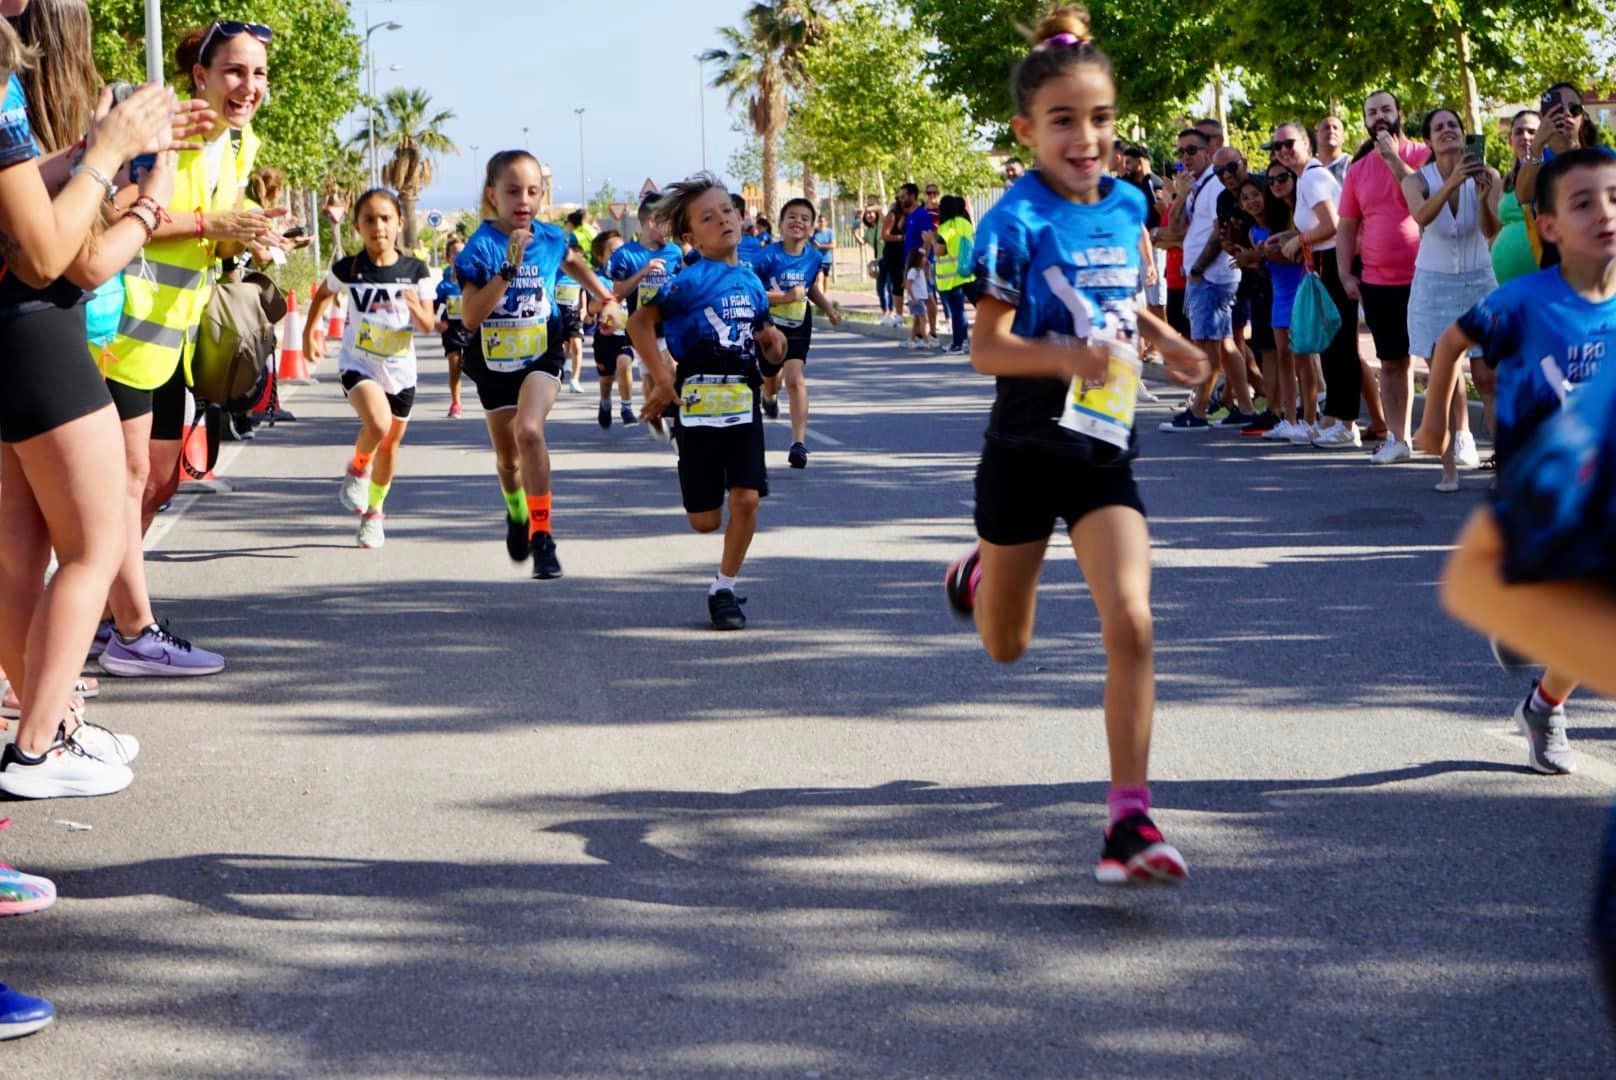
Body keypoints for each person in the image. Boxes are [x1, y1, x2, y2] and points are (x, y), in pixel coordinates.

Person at [943, 5, 1210, 885]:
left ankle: (1128, 822)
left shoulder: (1128, 201)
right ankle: (979, 575)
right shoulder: (1009, 224)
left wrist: (1162, 338)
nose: (1086, 137)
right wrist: (1071, 355)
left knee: (1131, 621)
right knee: (1005, 647)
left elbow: (1106, 296)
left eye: (1099, 118)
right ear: (1027, 131)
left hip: (1104, 448)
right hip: (1023, 448)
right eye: (1063, 120)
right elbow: (987, 346)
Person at [0, 2, 186, 799]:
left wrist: (92, 154)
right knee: (97, 542)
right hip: (32, 330)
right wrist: (112, 164)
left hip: (17, 331)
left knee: (18, 555)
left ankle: (54, 727)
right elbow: (49, 256)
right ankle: (39, 747)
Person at [1416, 147, 1616, 776]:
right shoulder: (1525, 302)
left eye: (1614, 198)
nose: (1605, 212)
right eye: (1583, 203)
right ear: (1547, 227)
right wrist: (1429, 426)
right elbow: (1451, 342)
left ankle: (1544, 699)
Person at [96, 20, 283, 678]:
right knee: (125, 486)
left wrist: (249, 236)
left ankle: (103, 611)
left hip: (174, 337)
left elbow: (212, 233)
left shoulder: (240, 140)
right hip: (122, 334)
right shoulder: (169, 128)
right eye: (234, 70)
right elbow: (114, 207)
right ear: (199, 76)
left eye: (258, 73)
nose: (249, 86)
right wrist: (212, 224)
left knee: (162, 480)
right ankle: (131, 630)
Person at [629, 172, 788, 631]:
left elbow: (765, 346)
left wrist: (774, 350)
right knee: (703, 521)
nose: (724, 220)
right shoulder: (687, 281)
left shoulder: (753, 282)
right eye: (708, 217)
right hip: (697, 406)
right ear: (689, 237)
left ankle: (724, 588)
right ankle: (713, 487)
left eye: (728, 211)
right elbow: (639, 325)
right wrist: (661, 379)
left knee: (747, 499)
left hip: (742, 401)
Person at [456, 150, 621, 580]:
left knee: (529, 430)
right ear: (492, 196)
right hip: (493, 362)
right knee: (508, 462)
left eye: (532, 191)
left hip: (542, 354)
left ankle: (543, 536)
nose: (523, 200)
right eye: (513, 191)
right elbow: (471, 316)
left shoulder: (550, 237)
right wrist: (508, 267)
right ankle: (516, 513)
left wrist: (605, 298)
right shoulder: (480, 248)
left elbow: (573, 264)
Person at [305, 189, 435, 548]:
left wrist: (414, 306)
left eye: (385, 219)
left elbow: (427, 324)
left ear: (399, 223)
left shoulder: (415, 271)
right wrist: (308, 335)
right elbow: (322, 296)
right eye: (369, 220)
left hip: (400, 370)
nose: (378, 227)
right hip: (358, 364)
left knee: (390, 446)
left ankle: (374, 513)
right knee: (377, 423)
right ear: (357, 226)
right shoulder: (348, 268)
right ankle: (359, 467)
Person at [1400, 108, 1499, 491]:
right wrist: (1452, 182)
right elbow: (1421, 218)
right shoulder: (1416, 181)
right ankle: (1449, 469)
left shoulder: (1486, 175)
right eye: (1439, 127)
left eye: (1453, 126)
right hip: (1433, 285)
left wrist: (1484, 193)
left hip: (1478, 282)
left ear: (1463, 134)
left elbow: (1491, 228)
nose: (1447, 131)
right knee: (1443, 376)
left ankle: (1503, 466)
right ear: (1428, 140)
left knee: (1488, 376)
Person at [1336, 91, 1429, 454]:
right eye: (1372, 112)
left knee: (1439, 359)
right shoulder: (1357, 170)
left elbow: (1424, 194)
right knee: (1392, 361)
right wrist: (1345, 273)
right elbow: (1346, 226)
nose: (1379, 116)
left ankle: (1454, 437)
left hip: (1426, 274)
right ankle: (1398, 438)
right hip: (1377, 280)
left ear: (1399, 114)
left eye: (1386, 109)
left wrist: (1392, 157)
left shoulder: (1423, 155)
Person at [1157, 129, 1249, 430]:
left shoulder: (1213, 184)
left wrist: (1198, 268)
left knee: (1206, 343)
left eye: (1191, 150)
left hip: (1211, 275)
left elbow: (1216, 231)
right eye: (1181, 152)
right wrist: (1182, 194)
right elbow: (1177, 224)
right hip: (1210, 274)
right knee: (1224, 343)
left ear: (1207, 151)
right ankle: (1245, 408)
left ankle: (1198, 410)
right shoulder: (1200, 184)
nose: (1185, 158)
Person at [754, 196, 841, 468]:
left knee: (795, 380)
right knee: (772, 379)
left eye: (805, 218)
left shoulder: (814, 257)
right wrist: (785, 297)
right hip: (768, 325)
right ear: (780, 223)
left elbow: (810, 287)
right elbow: (752, 293)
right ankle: (768, 395)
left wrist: (828, 309)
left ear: (812, 227)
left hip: (798, 325)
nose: (798, 222)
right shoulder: (765, 257)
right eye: (792, 216)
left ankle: (798, 444)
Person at [607, 195, 683, 441]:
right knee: (652, 377)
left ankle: (677, 423)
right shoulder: (625, 255)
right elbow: (617, 293)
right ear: (651, 221)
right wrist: (643, 272)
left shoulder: (674, 252)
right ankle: (655, 412)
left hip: (670, 325)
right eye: (668, 222)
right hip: (642, 330)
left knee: (671, 368)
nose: (672, 229)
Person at [1256, 162, 1321, 442]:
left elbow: (1300, 250)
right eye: (1271, 181)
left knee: (1302, 357)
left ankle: (1309, 418)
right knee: (1283, 355)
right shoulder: (1272, 215)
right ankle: (1289, 418)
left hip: (1300, 285)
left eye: (1282, 178)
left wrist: (1268, 252)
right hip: (1278, 288)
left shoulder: (1303, 210)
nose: (1277, 184)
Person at [588, 230, 637, 429]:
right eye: (613, 252)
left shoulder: (633, 273)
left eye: (622, 250)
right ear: (601, 257)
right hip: (605, 337)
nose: (619, 256)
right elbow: (592, 308)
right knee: (606, 379)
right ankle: (605, 403)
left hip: (626, 334)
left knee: (624, 363)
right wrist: (607, 301)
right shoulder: (598, 279)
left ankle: (626, 408)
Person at [934, 194, 976, 354]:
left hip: (951, 276)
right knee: (977, 305)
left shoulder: (946, 227)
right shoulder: (965, 223)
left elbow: (939, 251)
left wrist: (931, 239)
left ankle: (959, 343)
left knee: (957, 311)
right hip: (968, 272)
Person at [434, 236, 468, 418]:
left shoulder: (475, 279)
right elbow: (431, 307)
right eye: (455, 253)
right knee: (455, 366)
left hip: (473, 328)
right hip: (452, 329)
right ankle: (456, 402)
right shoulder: (444, 284)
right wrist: (436, 323)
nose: (459, 256)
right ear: (448, 258)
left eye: (463, 252)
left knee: (476, 366)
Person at [879, 196, 909, 326]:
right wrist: (901, 237)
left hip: (909, 253)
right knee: (898, 283)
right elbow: (884, 235)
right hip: (894, 254)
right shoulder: (893, 215)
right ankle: (899, 315)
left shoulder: (912, 215)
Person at [904, 246, 931, 348]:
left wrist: (928, 269)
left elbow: (927, 279)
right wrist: (913, 298)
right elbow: (908, 285)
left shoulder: (920, 271)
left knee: (917, 320)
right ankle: (926, 340)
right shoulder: (913, 271)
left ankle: (911, 340)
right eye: (923, 257)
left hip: (920, 298)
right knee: (923, 319)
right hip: (916, 299)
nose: (925, 259)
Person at [1316, 115, 1349, 183]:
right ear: (1317, 136)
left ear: (1343, 137)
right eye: (1326, 127)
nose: (1331, 131)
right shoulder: (1308, 166)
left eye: (1335, 128)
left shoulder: (1352, 165)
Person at [811, 211, 835, 284]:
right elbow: (809, 241)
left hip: (827, 259)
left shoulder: (830, 232)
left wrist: (821, 246)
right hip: (817, 259)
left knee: (825, 279)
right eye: (819, 221)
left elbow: (833, 245)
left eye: (822, 221)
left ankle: (824, 294)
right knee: (819, 278)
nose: (821, 223)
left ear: (826, 222)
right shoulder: (814, 232)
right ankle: (820, 294)